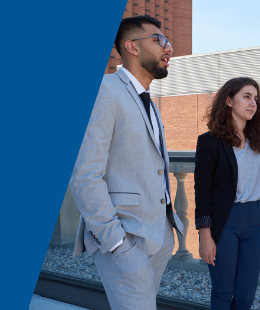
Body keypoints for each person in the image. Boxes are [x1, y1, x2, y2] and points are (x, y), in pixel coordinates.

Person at [69, 15, 184, 310]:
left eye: (167, 41)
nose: (168, 48)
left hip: (158, 236)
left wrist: (167, 233)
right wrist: (117, 243)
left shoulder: (149, 102)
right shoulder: (104, 90)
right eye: (159, 40)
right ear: (132, 47)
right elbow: (85, 176)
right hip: (125, 240)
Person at [194, 77, 260, 309]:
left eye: (255, 98)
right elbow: (202, 190)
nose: (253, 103)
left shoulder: (259, 137)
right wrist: (205, 236)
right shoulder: (209, 142)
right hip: (224, 223)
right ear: (229, 100)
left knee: (246, 295)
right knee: (223, 292)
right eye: (246, 97)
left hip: (254, 221)